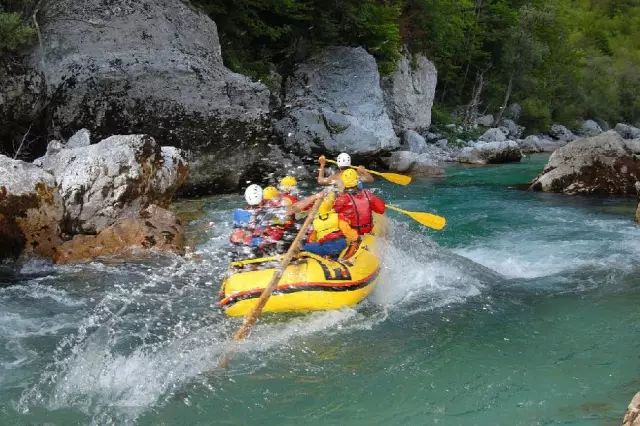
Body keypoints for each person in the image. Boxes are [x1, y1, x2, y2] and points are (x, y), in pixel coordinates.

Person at [302, 192, 358, 259]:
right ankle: (334, 258)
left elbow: (311, 239)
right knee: (333, 250)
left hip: (324, 246)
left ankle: (328, 257)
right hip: (338, 244)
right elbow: (347, 230)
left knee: (305, 247)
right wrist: (355, 239)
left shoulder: (315, 221)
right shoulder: (337, 216)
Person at [333, 168, 385, 236]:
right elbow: (381, 209)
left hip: (352, 234)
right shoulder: (367, 195)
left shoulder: (341, 199)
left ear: (344, 183)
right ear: (358, 182)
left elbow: (333, 213)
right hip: (367, 231)